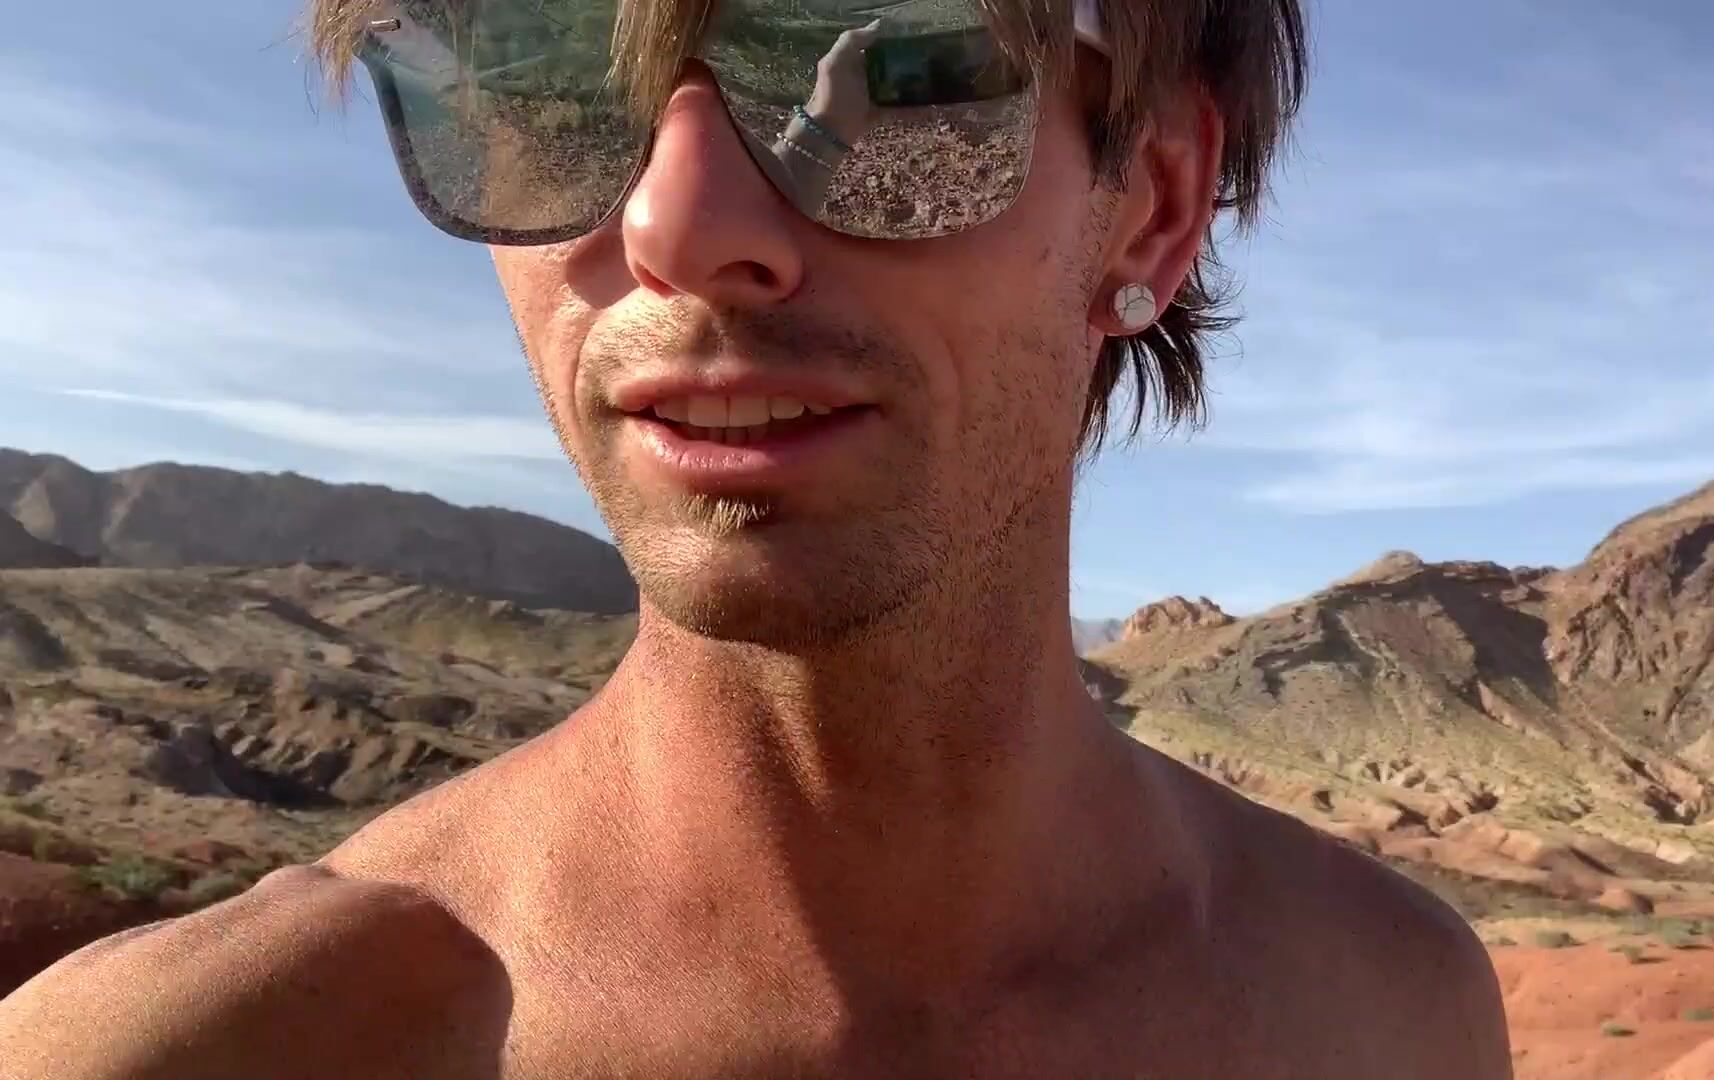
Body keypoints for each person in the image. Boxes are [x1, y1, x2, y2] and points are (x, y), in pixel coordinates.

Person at [0, 0, 1514, 1076]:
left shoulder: (1395, 1010)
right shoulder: (221, 1047)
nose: (672, 227)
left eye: (902, 71)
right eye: (537, 76)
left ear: (1154, 209)